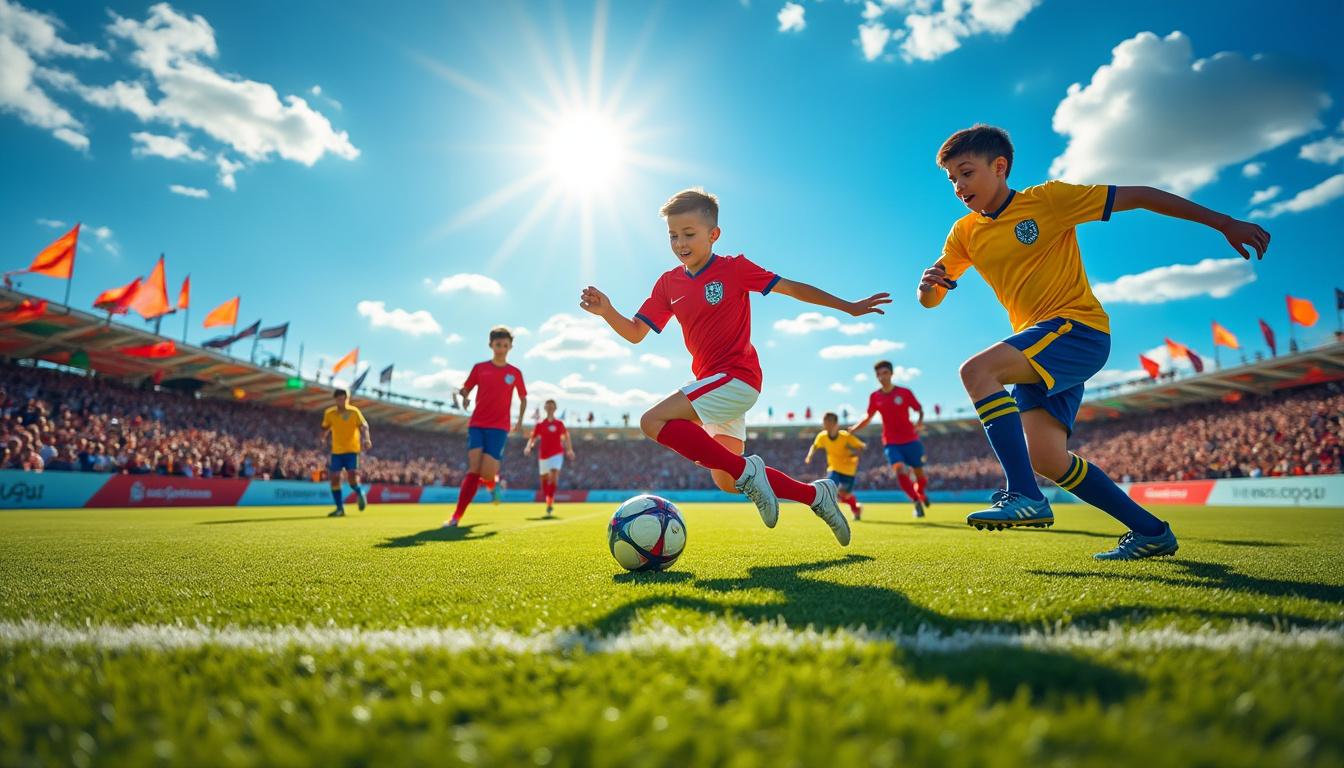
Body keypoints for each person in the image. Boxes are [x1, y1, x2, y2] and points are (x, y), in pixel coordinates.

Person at [919, 124, 1270, 559]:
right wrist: (929, 286)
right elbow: (932, 298)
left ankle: (1023, 495)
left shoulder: (1048, 200)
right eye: (952, 179)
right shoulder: (964, 234)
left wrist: (1223, 222)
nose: (958, 186)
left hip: (1077, 329)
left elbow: (1140, 195)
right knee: (1049, 459)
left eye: (966, 173)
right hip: (1040, 346)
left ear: (1000, 167)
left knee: (977, 371)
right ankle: (1151, 531)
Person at [579, 188, 890, 546]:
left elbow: (791, 288)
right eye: (673, 235)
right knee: (726, 479)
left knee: (652, 421)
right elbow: (635, 333)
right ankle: (816, 496)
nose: (680, 242)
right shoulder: (668, 284)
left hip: (737, 378)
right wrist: (607, 312)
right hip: (712, 384)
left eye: (689, 234)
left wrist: (848, 307)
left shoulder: (735, 269)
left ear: (714, 235)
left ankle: (749, 471)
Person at [446, 327, 527, 527]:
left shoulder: (515, 373)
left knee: (487, 474)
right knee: (474, 469)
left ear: (510, 347)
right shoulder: (480, 368)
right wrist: (464, 396)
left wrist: (519, 420)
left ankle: (492, 484)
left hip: (500, 428)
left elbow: (523, 398)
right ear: (491, 345)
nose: (501, 349)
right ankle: (456, 517)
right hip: (477, 424)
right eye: (498, 345)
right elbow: (467, 389)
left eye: (505, 345)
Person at [849, 360, 931, 518]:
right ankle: (916, 501)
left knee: (920, 475)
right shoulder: (875, 396)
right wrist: (854, 428)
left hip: (911, 439)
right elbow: (868, 417)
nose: (882, 377)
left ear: (891, 374)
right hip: (891, 441)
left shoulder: (905, 392)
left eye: (885, 373)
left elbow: (918, 409)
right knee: (899, 469)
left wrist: (919, 422)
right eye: (878, 374)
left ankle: (920, 492)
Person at [805, 412, 866, 521]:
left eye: (829, 422)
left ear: (836, 424)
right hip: (834, 468)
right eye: (825, 422)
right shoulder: (822, 436)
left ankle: (856, 508)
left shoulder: (845, 436)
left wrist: (854, 454)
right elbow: (814, 446)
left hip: (849, 470)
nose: (826, 424)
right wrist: (809, 456)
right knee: (830, 487)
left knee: (844, 495)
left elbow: (861, 446)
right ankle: (830, 513)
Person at [320, 388, 371, 518]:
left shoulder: (354, 412)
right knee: (335, 478)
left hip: (352, 451)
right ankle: (339, 508)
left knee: (352, 479)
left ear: (347, 399)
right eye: (339, 399)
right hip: (336, 451)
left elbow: (364, 426)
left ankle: (360, 492)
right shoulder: (329, 413)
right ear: (335, 400)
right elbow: (325, 428)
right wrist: (322, 438)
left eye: (344, 399)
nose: (341, 402)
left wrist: (366, 439)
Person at [524, 398, 576, 517]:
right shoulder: (540, 425)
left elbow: (566, 436)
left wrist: (569, 450)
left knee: (553, 475)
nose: (550, 408)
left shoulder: (559, 424)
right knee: (544, 483)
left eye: (552, 406)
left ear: (555, 408)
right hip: (543, 456)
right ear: (545, 408)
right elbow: (532, 438)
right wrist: (528, 447)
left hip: (557, 454)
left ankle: (550, 502)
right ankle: (549, 499)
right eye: (548, 406)